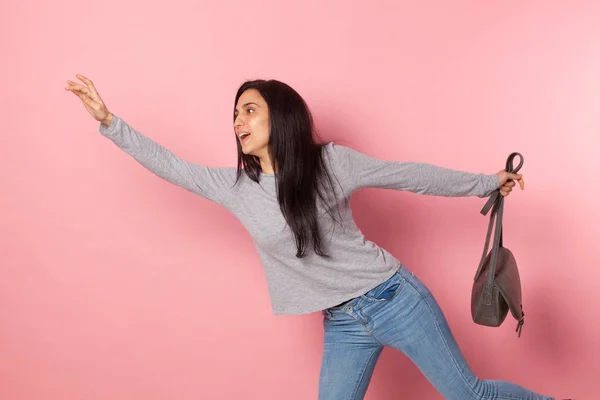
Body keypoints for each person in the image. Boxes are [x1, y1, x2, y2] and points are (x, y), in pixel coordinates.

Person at [65, 74, 568, 400]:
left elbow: (407, 174)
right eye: (235, 113)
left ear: (278, 116)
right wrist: (111, 122)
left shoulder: (331, 163)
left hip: (395, 298)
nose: (238, 120)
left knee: (470, 396)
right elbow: (172, 167)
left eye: (250, 110)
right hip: (343, 324)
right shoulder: (236, 188)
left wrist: (485, 183)